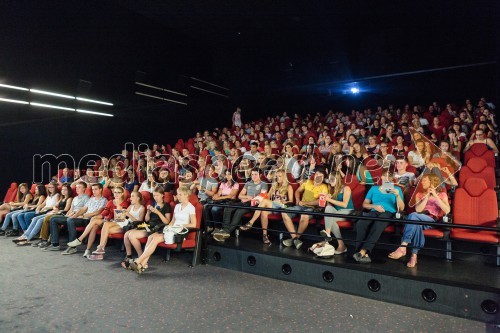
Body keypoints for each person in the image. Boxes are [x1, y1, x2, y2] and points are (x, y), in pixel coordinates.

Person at [388, 174, 450, 267]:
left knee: (412, 216)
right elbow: (418, 210)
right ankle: (414, 256)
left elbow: (447, 210)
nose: (422, 182)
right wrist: (427, 196)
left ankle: (403, 246)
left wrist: (435, 196)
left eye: (424, 180)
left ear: (431, 182)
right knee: (416, 224)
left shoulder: (442, 194)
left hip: (431, 219)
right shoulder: (419, 194)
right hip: (419, 217)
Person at [129, 187, 195, 274]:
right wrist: (168, 227)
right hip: (171, 230)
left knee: (155, 239)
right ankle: (143, 264)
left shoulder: (191, 207)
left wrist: (180, 225)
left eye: (180, 194)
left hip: (180, 232)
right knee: (151, 236)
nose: (177, 196)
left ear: (186, 195)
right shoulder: (177, 206)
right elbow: (172, 221)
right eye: (177, 194)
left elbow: (193, 224)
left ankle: (138, 261)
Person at [353, 169, 404, 264]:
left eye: (390, 177)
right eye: (386, 176)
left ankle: (363, 251)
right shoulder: (374, 189)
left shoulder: (397, 189)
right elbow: (365, 204)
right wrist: (374, 206)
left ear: (393, 178)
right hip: (374, 211)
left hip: (388, 213)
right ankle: (363, 253)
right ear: (382, 177)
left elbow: (401, 208)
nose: (388, 179)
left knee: (379, 223)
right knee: (361, 223)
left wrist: (397, 196)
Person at [67, 186, 128, 257]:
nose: (116, 194)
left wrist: (118, 205)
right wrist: (95, 217)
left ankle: (80, 240)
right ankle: (88, 249)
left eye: (118, 192)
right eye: (115, 192)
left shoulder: (125, 203)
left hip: (118, 223)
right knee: (94, 223)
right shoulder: (110, 202)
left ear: (122, 194)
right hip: (108, 221)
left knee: (96, 224)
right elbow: (103, 214)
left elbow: (119, 219)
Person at [45, 183, 105, 253]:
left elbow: (97, 212)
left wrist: (82, 216)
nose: (94, 191)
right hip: (80, 217)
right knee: (54, 219)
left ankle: (72, 247)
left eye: (96, 189)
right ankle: (55, 244)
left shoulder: (103, 200)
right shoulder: (91, 199)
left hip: (88, 220)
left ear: (100, 190)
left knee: (71, 220)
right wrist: (75, 215)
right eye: (93, 189)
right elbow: (83, 209)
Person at [121, 186, 172, 269]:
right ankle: (131, 257)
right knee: (127, 233)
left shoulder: (166, 206)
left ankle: (141, 259)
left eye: (157, 195)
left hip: (157, 227)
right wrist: (148, 212)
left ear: (162, 195)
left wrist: (158, 212)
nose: (155, 197)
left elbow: (167, 222)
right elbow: (147, 220)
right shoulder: (153, 204)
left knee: (131, 235)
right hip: (149, 225)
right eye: (154, 195)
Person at [213, 168, 269, 242]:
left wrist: (248, 199)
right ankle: (224, 230)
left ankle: (226, 232)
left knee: (238, 211)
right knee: (228, 207)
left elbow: (260, 198)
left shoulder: (264, 184)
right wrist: (247, 197)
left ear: (260, 175)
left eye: (256, 174)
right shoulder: (248, 183)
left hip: (253, 204)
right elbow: (240, 196)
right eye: (252, 174)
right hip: (244, 201)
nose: (254, 176)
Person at [88, 191, 146, 261]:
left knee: (105, 229)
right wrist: (120, 211)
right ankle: (101, 249)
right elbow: (121, 217)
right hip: (124, 222)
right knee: (106, 228)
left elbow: (139, 222)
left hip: (130, 226)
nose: (130, 198)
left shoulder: (142, 208)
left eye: (132, 196)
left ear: (138, 198)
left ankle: (100, 251)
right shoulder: (131, 206)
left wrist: (128, 215)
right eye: (130, 196)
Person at [240, 169, 293, 244]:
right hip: (273, 205)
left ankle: (251, 222)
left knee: (264, 201)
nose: (278, 178)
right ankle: (265, 235)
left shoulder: (289, 187)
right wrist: (263, 200)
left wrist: (283, 201)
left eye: (280, 176)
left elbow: (291, 201)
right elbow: (267, 197)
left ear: (284, 177)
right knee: (263, 212)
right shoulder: (274, 186)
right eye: (277, 176)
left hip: (282, 206)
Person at [281, 169, 328, 249]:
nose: (318, 177)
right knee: (284, 212)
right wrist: (298, 200)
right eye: (317, 174)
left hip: (312, 208)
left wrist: (306, 203)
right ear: (314, 175)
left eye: (321, 176)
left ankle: (294, 239)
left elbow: (320, 201)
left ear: (323, 178)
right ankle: (295, 239)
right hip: (300, 205)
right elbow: (297, 191)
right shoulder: (308, 182)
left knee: (304, 215)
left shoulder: (324, 187)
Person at [319, 172, 354, 254]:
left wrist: (329, 200)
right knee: (328, 210)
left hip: (348, 211)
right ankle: (341, 245)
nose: (330, 182)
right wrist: (327, 199)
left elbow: (345, 204)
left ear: (337, 179)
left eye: (332, 179)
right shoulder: (332, 190)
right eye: (329, 180)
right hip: (337, 212)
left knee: (330, 217)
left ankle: (327, 236)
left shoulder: (346, 188)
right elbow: (330, 208)